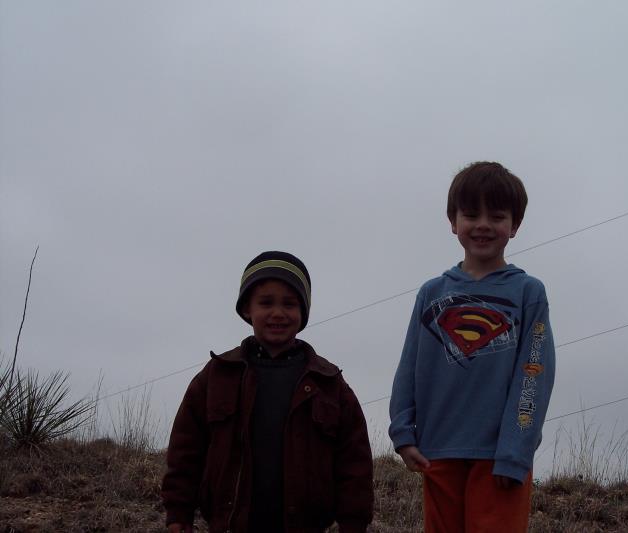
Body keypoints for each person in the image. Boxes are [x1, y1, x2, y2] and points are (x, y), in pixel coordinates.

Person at [389, 162, 556, 532]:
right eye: (470, 214)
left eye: (496, 216)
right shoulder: (432, 293)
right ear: (453, 221)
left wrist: (515, 450)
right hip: (438, 450)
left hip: (499, 457)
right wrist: (402, 432)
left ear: (515, 225)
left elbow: (534, 374)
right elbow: (409, 364)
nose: (483, 225)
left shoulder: (528, 293)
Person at [162, 251, 373, 533]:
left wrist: (354, 522)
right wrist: (178, 514)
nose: (278, 313)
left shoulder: (329, 384)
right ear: (247, 309)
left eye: (289, 304)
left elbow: (355, 463)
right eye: (266, 302)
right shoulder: (216, 375)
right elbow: (185, 450)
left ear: (303, 313)